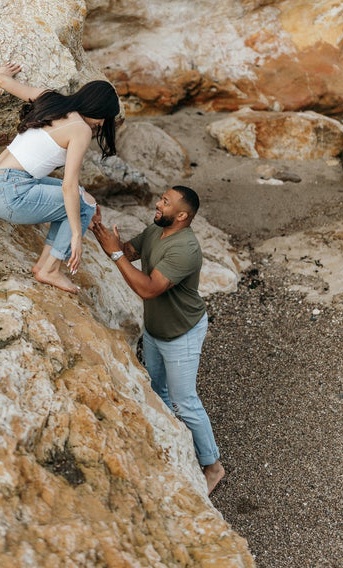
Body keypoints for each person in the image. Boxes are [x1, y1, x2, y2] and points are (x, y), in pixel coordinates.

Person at [90, 185, 225, 494]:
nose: (158, 203)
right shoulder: (155, 229)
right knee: (157, 389)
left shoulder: (185, 249)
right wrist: (98, 229)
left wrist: (114, 254)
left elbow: (149, 289)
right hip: (154, 329)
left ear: (181, 215)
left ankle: (213, 466)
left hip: (182, 333)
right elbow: (129, 252)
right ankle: (172, 442)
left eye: (165, 202)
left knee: (185, 401)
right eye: (161, 197)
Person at [0, 62, 120, 294]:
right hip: (10, 194)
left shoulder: (51, 99)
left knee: (84, 197)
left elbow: (4, 82)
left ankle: (44, 267)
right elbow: (68, 185)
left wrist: (2, 73)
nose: (103, 124)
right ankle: (51, 269)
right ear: (97, 109)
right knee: (82, 205)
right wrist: (77, 234)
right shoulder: (81, 130)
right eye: (105, 117)